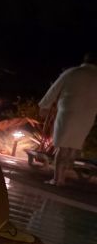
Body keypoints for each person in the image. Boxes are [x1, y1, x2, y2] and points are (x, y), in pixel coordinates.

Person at [38, 53, 97, 186]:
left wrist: (44, 105)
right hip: (87, 116)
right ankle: (64, 174)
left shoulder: (72, 72)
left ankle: (58, 179)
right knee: (74, 146)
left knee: (63, 146)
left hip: (68, 113)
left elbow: (54, 89)